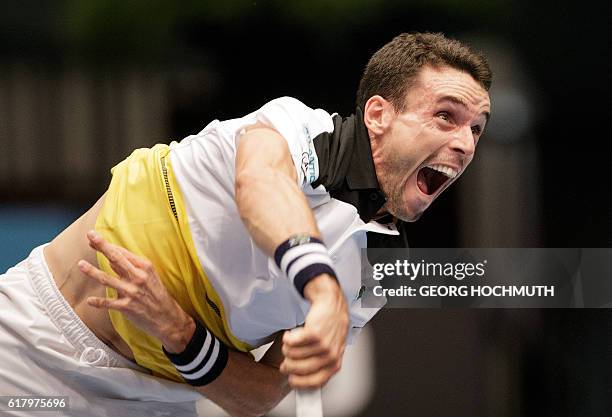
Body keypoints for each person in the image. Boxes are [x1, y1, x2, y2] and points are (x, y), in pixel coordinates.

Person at [0, 32, 491, 417]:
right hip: (29, 342)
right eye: (446, 116)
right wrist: (322, 290)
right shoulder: (296, 127)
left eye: (475, 128)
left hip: (153, 401)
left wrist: (178, 331)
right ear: (379, 114)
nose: (466, 144)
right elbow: (260, 184)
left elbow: (257, 398)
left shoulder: (375, 269)